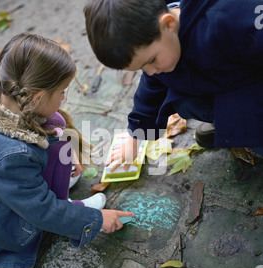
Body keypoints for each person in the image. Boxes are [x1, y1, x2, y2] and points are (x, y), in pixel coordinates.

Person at [0, 33, 134, 268]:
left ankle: (59, 187)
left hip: (9, 190)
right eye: (62, 92)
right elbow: (41, 210)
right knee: (47, 196)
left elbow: (49, 125)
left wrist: (67, 153)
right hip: (7, 223)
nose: (65, 98)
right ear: (38, 97)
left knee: (57, 140)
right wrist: (95, 221)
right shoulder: (10, 158)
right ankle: (68, 205)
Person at [84, 0, 263, 171]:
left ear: (168, 24)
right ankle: (228, 125)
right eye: (142, 68)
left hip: (254, 90)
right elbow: (150, 91)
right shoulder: (162, 43)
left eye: (151, 61)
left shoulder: (229, 18)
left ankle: (243, 129)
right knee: (183, 103)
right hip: (232, 84)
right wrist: (135, 138)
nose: (151, 71)